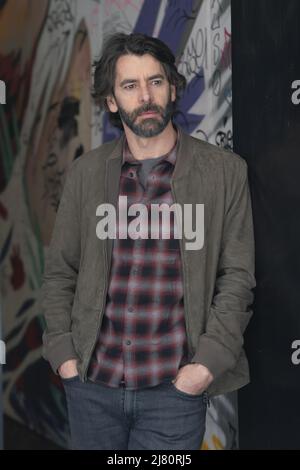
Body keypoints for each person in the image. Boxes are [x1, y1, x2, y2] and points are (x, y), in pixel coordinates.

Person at [41, 33, 255, 450]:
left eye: (155, 82)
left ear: (172, 88)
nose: (146, 96)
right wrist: (64, 357)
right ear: (111, 101)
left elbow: (237, 278)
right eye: (129, 85)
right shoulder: (87, 174)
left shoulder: (224, 173)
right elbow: (60, 271)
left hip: (173, 393)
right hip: (91, 387)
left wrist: (203, 369)